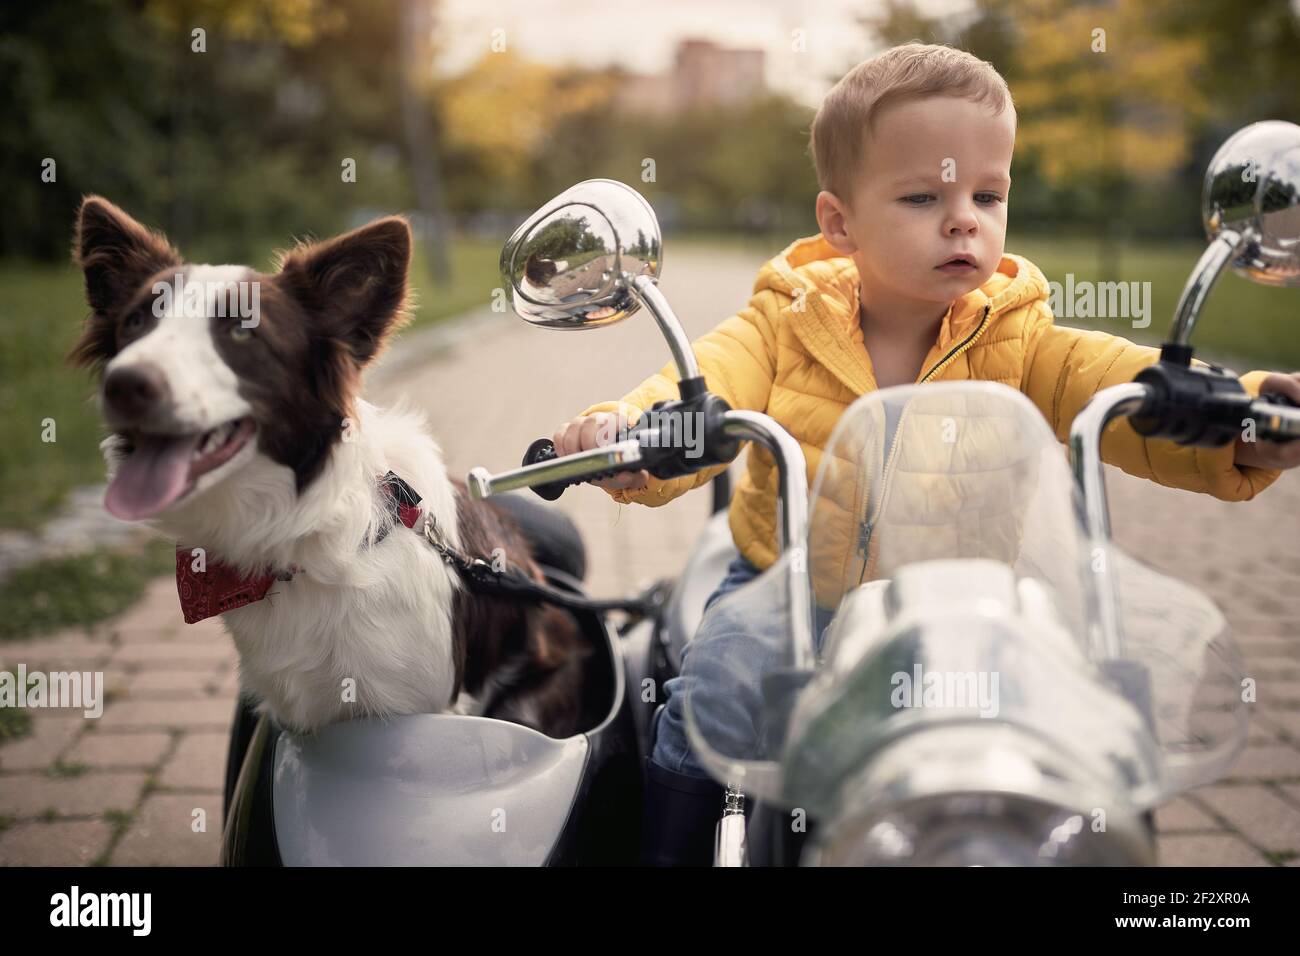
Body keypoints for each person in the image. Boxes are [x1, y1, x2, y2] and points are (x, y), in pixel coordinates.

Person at [550, 42, 1300, 866]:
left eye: (988, 193)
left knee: (1085, 710)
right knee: (718, 685)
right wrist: (627, 429)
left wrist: (1244, 414)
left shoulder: (1021, 332)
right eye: (921, 195)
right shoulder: (778, 325)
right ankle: (684, 851)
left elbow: (1112, 381)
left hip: (972, 600)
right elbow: (698, 385)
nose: (963, 219)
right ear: (839, 223)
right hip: (796, 588)